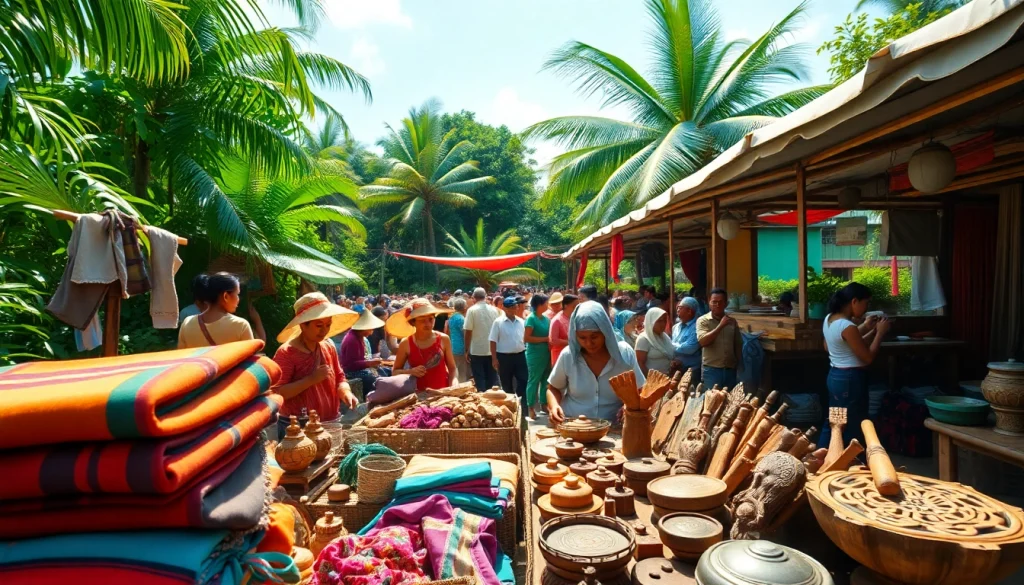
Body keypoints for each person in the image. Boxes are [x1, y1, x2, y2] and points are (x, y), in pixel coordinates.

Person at [272, 292, 360, 436]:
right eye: (319, 325)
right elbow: (277, 392)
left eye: (328, 325)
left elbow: (339, 376)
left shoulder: (328, 346)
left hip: (331, 421)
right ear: (302, 325)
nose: (324, 330)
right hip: (297, 428)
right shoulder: (287, 353)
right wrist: (311, 380)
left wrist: (346, 392)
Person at [546, 301, 647, 424]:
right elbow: (553, 388)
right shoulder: (568, 356)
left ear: (605, 332)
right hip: (573, 426)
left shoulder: (625, 354)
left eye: (594, 337)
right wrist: (554, 406)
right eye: (582, 338)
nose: (589, 343)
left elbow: (641, 389)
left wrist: (628, 406)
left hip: (614, 426)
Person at [819, 282, 889, 448]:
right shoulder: (847, 326)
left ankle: (819, 457)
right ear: (854, 301)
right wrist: (880, 333)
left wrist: (868, 328)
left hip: (836, 377)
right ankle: (853, 463)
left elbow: (831, 345)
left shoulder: (829, 319)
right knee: (853, 425)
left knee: (834, 421)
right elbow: (867, 357)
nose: (866, 308)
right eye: (866, 303)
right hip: (851, 380)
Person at [389, 298, 458, 391]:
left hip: (442, 394)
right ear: (413, 322)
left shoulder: (443, 339)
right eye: (422, 320)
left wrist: (453, 384)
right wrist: (410, 372)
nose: (428, 324)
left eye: (431, 319)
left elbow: (452, 368)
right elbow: (395, 372)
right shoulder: (406, 343)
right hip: (417, 396)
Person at [178, 273, 263, 348]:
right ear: (226, 296)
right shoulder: (240, 325)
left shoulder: (187, 323)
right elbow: (249, 361)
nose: (238, 299)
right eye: (237, 294)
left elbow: (183, 358)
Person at [696, 288, 743, 389]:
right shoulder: (703, 321)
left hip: (730, 370)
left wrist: (739, 365)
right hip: (712, 370)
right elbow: (703, 341)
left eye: (720, 302)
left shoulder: (732, 322)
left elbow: (737, 344)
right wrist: (721, 326)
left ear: (726, 304)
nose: (717, 305)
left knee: (729, 401)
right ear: (709, 303)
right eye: (714, 302)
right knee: (711, 401)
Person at [489, 297, 529, 403]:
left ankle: (521, 404)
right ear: (505, 309)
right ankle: (510, 405)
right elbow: (493, 341)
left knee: (523, 380)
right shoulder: (498, 323)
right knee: (506, 384)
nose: (514, 309)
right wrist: (494, 359)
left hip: (520, 356)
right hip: (504, 357)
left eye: (515, 307)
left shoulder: (521, 322)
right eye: (511, 308)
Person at [339, 309, 386, 396]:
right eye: (370, 329)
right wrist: (369, 363)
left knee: (385, 371)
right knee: (373, 378)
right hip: (350, 372)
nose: (372, 332)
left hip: (360, 368)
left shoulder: (359, 337)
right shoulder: (352, 340)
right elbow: (351, 365)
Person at [464, 287, 500, 391]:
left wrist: (466, 350)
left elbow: (468, 331)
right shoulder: (494, 310)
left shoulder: (472, 310)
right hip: (492, 350)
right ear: (485, 297)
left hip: (477, 351)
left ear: (474, 298)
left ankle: (483, 398)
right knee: (492, 378)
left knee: (479, 379)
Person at [524, 294, 551, 418]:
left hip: (546, 353)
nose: (547, 305)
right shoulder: (531, 319)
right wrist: (545, 339)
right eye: (546, 303)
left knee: (546, 379)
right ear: (540, 304)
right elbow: (527, 338)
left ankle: (543, 404)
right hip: (534, 354)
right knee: (534, 380)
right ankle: (530, 407)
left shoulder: (546, 319)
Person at [635, 307, 673, 375]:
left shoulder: (665, 337)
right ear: (651, 321)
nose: (663, 324)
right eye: (660, 321)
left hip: (667, 379)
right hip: (653, 382)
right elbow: (640, 364)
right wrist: (651, 381)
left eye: (665, 320)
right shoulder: (643, 339)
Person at [671, 297, 702, 380]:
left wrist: (669, 345)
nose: (677, 310)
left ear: (689, 311)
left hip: (692, 371)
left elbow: (690, 348)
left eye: (680, 308)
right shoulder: (676, 327)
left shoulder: (698, 327)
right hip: (676, 369)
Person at [445, 297, 471, 383]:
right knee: (462, 371)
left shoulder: (452, 317)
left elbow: (448, 331)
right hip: (461, 348)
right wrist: (467, 349)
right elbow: (465, 334)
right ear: (463, 307)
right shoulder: (461, 319)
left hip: (453, 346)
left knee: (454, 370)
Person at [549, 293, 579, 365]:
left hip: (573, 355)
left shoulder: (574, 318)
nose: (577, 308)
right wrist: (571, 342)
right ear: (566, 305)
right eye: (574, 306)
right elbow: (553, 340)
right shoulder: (557, 320)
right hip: (559, 357)